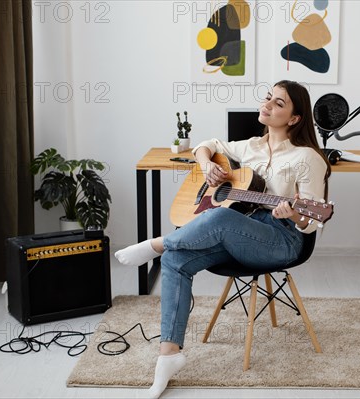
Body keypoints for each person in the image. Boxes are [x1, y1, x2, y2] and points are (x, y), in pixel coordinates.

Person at [115, 80, 331, 398]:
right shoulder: (249, 147)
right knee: (177, 259)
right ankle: (169, 355)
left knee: (217, 218)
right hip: (238, 231)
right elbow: (207, 144)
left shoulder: (307, 158)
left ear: (295, 118)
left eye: (279, 103)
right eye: (268, 97)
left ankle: (158, 244)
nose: (268, 104)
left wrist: (295, 215)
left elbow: (311, 223)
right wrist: (205, 167)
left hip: (281, 241)